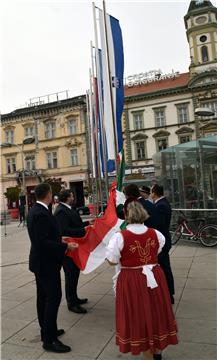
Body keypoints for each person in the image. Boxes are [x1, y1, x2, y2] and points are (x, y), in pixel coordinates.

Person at [106, 200, 178, 360]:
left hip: (132, 279)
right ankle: (157, 352)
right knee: (156, 311)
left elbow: (112, 260)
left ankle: (149, 354)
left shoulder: (119, 237)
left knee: (139, 315)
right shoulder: (156, 233)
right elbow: (158, 250)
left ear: (126, 216)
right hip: (155, 276)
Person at [27, 183, 78, 353]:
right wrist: (65, 247)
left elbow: (44, 237)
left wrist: (59, 240)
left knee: (43, 298)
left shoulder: (37, 210)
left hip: (41, 263)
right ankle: (49, 340)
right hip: (46, 264)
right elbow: (41, 243)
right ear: (48, 195)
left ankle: (47, 330)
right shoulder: (41, 213)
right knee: (53, 298)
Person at [54, 190, 93, 314]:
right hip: (68, 249)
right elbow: (64, 230)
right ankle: (71, 303)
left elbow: (76, 224)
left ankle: (75, 297)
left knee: (75, 274)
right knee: (70, 275)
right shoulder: (60, 211)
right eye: (72, 195)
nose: (73, 197)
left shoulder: (69, 208)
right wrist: (83, 230)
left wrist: (88, 223)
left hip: (75, 247)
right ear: (67, 198)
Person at [150, 184, 175, 304]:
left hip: (163, 241)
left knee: (165, 268)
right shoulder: (161, 204)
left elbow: (159, 225)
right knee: (164, 267)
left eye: (151, 192)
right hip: (163, 240)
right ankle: (167, 293)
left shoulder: (161, 206)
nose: (150, 194)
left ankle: (169, 295)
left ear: (154, 193)